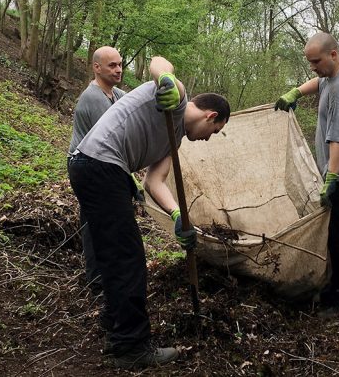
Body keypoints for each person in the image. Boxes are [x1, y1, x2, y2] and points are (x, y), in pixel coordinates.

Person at [67, 56, 230, 369]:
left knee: (116, 255)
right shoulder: (178, 100)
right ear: (211, 116)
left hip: (93, 168)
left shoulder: (175, 137)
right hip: (101, 165)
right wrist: (167, 81)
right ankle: (131, 346)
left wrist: (177, 215)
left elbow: (154, 181)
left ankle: (115, 323)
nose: (209, 138)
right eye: (215, 130)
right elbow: (159, 63)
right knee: (129, 259)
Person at [274, 32, 339, 317]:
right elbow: (318, 82)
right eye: (309, 62)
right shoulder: (334, 77)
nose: (313, 67)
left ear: (333, 54)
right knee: (338, 231)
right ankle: (338, 286)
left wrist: (331, 178)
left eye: (315, 61)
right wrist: (295, 92)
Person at [66, 46, 145, 295]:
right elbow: (115, 138)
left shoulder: (116, 94)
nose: (119, 69)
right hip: (86, 164)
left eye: (120, 64)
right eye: (112, 65)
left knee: (99, 219)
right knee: (94, 221)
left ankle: (102, 274)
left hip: (102, 163)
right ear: (96, 67)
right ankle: (97, 278)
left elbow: (136, 107)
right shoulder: (93, 98)